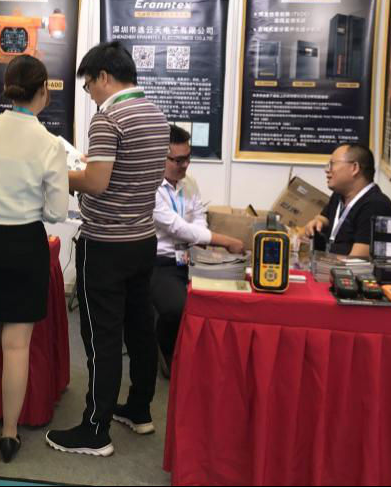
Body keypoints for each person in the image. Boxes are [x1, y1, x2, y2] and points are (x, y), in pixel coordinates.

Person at [46, 41, 169, 457]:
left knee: (102, 337)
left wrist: (59, 172)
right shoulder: (155, 113)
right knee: (140, 328)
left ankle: (95, 430)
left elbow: (97, 183)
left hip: (105, 245)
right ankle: (139, 409)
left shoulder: (109, 117)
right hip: (142, 239)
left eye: (89, 85)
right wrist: (91, 166)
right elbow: (133, 174)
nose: (90, 93)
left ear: (103, 76)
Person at [0, 55, 69, 464]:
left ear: (8, 87)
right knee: (16, 346)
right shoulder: (49, 144)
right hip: (24, 245)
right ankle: (8, 434)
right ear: (43, 92)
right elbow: (56, 212)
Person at [152, 124, 244, 377]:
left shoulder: (189, 182)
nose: (184, 165)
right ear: (161, 157)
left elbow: (198, 216)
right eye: (178, 160)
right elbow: (178, 227)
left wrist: (203, 239)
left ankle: (205, 353)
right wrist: (223, 240)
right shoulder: (150, 186)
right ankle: (166, 347)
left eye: (188, 158)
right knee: (175, 308)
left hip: (191, 256)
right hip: (161, 261)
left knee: (225, 297)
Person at [303, 143, 391, 257]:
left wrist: (321, 260)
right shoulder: (339, 194)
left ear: (354, 168)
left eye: (332, 164)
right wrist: (318, 222)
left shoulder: (375, 206)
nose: (327, 170)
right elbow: (325, 217)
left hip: (346, 267)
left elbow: (357, 261)